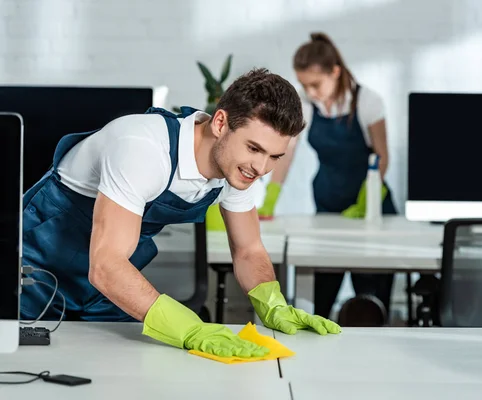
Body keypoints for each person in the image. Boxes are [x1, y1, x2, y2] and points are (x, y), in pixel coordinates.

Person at [20, 68, 341, 358]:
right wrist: (188, 328)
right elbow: (105, 266)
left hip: (100, 292)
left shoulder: (236, 170)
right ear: (220, 123)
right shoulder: (143, 148)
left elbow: (248, 249)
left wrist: (272, 303)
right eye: (254, 148)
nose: (261, 167)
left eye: (274, 156)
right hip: (30, 276)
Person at [257, 33, 397, 323]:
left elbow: (382, 155)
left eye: (315, 84)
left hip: (370, 210)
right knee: (321, 298)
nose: (310, 91)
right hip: (327, 204)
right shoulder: (307, 104)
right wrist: (271, 197)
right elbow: (288, 150)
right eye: (304, 84)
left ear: (335, 72)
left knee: (370, 302)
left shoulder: (367, 102)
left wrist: (366, 199)